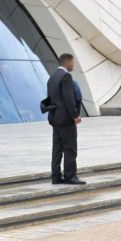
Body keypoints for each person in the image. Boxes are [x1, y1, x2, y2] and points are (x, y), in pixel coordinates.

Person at [46, 53, 85, 185]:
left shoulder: (52, 77)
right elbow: (68, 98)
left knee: (57, 149)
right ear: (67, 62)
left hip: (55, 119)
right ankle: (70, 176)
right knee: (70, 148)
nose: (73, 65)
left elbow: (50, 100)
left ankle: (56, 177)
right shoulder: (66, 76)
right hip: (66, 120)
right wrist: (75, 116)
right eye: (72, 62)